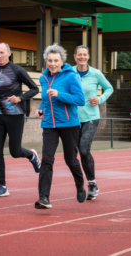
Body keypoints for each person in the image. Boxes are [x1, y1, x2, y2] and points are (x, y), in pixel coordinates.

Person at [0, 43, 40, 198]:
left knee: (15, 151)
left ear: (9, 53)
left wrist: (19, 98)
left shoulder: (17, 70)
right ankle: (2, 185)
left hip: (15, 115)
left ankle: (32, 155)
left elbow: (35, 88)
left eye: (2, 53)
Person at [34, 43, 86, 209]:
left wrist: (60, 95)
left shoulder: (71, 76)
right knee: (47, 159)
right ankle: (44, 197)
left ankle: (80, 184)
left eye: (56, 60)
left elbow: (80, 100)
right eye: (50, 60)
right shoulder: (43, 78)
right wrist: (41, 109)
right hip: (49, 123)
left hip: (69, 123)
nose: (52, 63)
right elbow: (45, 99)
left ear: (62, 61)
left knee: (70, 160)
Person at [72, 45, 114, 200]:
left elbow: (109, 88)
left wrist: (100, 99)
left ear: (88, 57)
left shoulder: (95, 73)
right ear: (75, 56)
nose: (82, 57)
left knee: (83, 149)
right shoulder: (69, 72)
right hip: (73, 118)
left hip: (91, 117)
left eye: (85, 54)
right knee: (75, 152)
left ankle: (91, 183)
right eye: (79, 54)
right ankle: (86, 184)